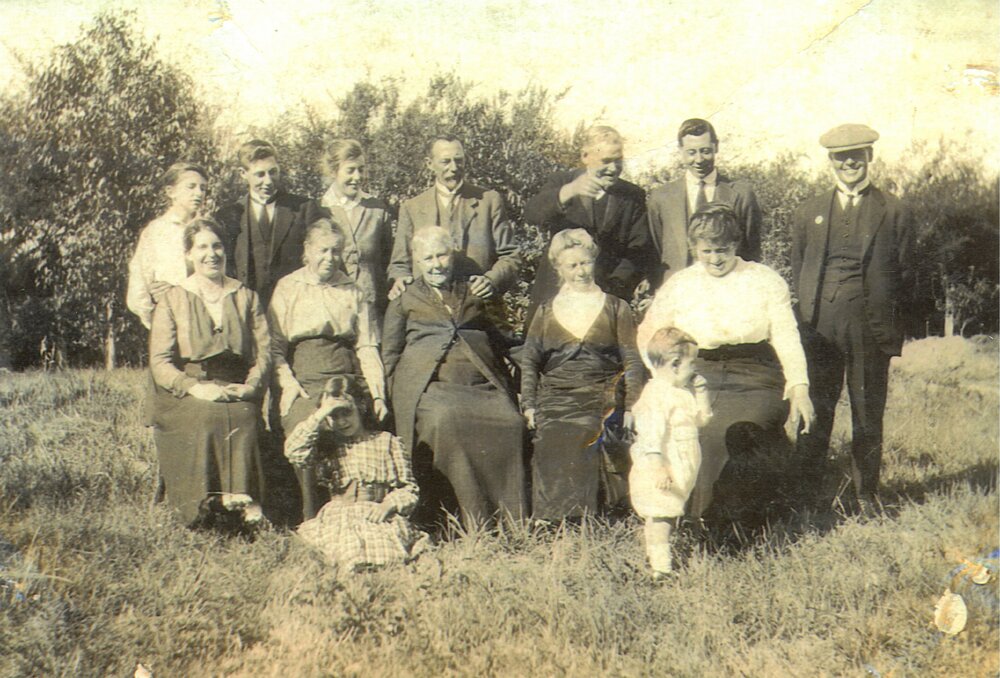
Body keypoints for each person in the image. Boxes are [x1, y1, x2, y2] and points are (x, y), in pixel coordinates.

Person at [636, 203, 815, 519]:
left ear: (736, 244)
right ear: (693, 248)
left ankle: (731, 524)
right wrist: (662, 375)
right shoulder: (680, 284)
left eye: (723, 249)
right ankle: (687, 518)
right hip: (696, 369)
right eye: (706, 251)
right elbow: (648, 332)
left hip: (756, 373)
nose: (715, 259)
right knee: (691, 430)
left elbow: (787, 335)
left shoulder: (764, 280)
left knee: (732, 431)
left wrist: (799, 385)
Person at [792, 124, 914, 513]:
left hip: (869, 326)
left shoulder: (895, 210)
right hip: (820, 328)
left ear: (869, 158)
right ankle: (809, 496)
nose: (849, 163)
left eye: (857, 156)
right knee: (817, 412)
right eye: (841, 157)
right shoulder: (808, 211)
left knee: (867, 413)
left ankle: (866, 496)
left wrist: (891, 326)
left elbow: (908, 274)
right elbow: (800, 269)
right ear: (830, 161)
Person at [382, 226, 527, 528]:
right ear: (416, 262)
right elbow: (390, 353)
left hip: (481, 382)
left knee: (511, 422)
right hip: (431, 387)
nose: (436, 264)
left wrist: (538, 369)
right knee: (447, 421)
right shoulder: (404, 298)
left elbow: (508, 338)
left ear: (453, 256)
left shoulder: (476, 290)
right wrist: (400, 393)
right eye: (427, 258)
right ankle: (472, 521)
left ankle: (512, 521)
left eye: (441, 255)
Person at [148, 218, 271, 527]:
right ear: (189, 254)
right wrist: (193, 387)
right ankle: (206, 503)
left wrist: (252, 386)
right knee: (205, 416)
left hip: (236, 385)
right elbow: (160, 362)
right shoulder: (173, 298)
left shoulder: (246, 296)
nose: (211, 254)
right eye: (202, 247)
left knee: (246, 415)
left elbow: (264, 352)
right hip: (189, 390)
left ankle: (248, 504)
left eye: (217, 245)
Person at [520, 229, 644, 521]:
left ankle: (584, 519)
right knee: (553, 434)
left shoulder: (616, 307)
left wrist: (631, 405)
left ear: (595, 261)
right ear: (559, 269)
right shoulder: (547, 310)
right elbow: (529, 359)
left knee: (588, 428)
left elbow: (632, 359)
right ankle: (551, 521)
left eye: (585, 263)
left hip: (602, 391)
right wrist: (529, 404)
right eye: (572, 266)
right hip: (556, 393)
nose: (580, 271)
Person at [268, 218, 388, 520]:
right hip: (304, 376)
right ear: (307, 251)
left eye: (336, 252)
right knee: (303, 423)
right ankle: (312, 515)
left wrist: (377, 393)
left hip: (346, 374)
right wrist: (288, 384)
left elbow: (367, 345)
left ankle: (359, 511)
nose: (329, 259)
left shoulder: (352, 289)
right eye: (323, 251)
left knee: (364, 422)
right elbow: (275, 347)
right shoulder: (288, 287)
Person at [284, 375, 429, 570]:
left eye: (347, 413)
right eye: (334, 416)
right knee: (339, 548)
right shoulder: (328, 446)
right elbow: (293, 450)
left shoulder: (387, 441)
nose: (342, 422)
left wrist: (388, 505)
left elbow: (408, 488)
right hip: (339, 517)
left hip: (377, 513)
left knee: (382, 548)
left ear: (361, 407)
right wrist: (320, 414)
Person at [523, 125, 652, 324]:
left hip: (607, 293)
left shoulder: (632, 195)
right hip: (557, 291)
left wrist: (613, 290)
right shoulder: (562, 182)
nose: (613, 168)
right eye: (606, 161)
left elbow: (638, 250)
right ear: (585, 156)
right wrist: (568, 191)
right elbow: (532, 214)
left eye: (618, 160)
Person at [387, 134, 521, 302]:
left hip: (478, 307)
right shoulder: (412, 207)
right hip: (428, 309)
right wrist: (400, 279)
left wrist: (491, 280)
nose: (454, 168)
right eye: (446, 161)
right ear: (430, 164)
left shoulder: (489, 200)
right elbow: (400, 264)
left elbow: (510, 256)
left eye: (459, 160)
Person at [629, 328, 712, 577]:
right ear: (675, 364)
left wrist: (702, 393)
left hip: (681, 464)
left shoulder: (681, 392)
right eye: (691, 363)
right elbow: (651, 435)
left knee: (665, 515)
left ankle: (655, 555)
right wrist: (658, 466)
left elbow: (701, 420)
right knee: (661, 517)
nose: (694, 369)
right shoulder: (655, 394)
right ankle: (661, 569)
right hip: (663, 465)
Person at [647, 118, 762, 290]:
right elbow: (655, 250)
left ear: (716, 147)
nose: (699, 159)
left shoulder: (742, 194)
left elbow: (751, 251)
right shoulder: (661, 197)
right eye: (691, 152)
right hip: (679, 292)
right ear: (681, 151)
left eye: (705, 151)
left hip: (730, 290)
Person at [300, 139, 394, 321]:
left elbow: (388, 260)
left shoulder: (377, 210)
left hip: (371, 305)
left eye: (361, 169)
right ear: (334, 171)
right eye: (350, 170)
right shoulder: (318, 209)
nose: (357, 177)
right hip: (330, 303)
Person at [216, 139, 309, 307]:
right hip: (247, 309)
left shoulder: (304, 209)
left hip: (294, 307)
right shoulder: (228, 216)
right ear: (243, 173)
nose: (268, 181)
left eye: (273, 172)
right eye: (260, 174)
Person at [127, 162, 208, 330]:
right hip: (168, 326)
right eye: (191, 187)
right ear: (171, 192)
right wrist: (158, 322)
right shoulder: (156, 231)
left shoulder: (209, 229)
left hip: (206, 325)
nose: (198, 193)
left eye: (203, 188)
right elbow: (138, 284)